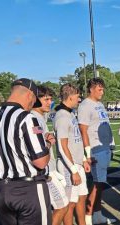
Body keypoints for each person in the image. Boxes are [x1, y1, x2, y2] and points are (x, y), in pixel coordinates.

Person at [0, 78, 52, 225]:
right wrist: (48, 144)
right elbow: (41, 161)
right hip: (29, 189)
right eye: (33, 102)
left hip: (2, 191)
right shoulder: (27, 118)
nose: (32, 106)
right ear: (29, 95)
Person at [77, 78, 116, 224]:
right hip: (95, 149)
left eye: (102, 88)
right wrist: (88, 154)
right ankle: (88, 217)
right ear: (91, 89)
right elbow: (83, 130)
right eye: (99, 89)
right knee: (96, 185)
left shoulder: (99, 104)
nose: (102, 91)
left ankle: (97, 214)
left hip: (104, 148)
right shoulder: (85, 105)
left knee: (100, 184)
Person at [31, 85, 69, 225]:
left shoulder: (40, 117)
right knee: (62, 205)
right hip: (45, 171)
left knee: (49, 208)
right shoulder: (34, 118)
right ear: (36, 100)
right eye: (46, 99)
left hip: (47, 168)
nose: (49, 102)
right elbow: (38, 146)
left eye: (50, 99)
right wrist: (49, 141)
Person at [54, 83, 90, 225]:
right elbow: (62, 146)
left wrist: (83, 159)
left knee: (82, 196)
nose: (79, 99)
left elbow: (76, 141)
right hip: (68, 167)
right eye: (77, 96)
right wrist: (73, 170)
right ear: (70, 96)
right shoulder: (62, 116)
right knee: (69, 203)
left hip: (77, 164)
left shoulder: (70, 113)